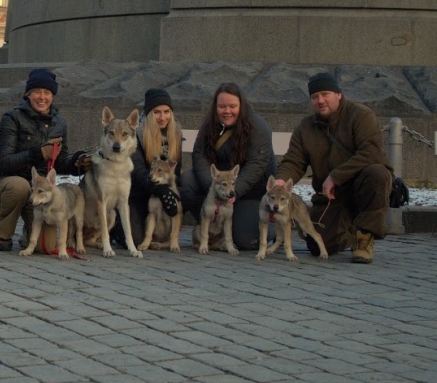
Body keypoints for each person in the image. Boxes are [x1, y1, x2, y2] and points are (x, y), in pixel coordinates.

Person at [274, 73, 393, 264]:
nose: (320, 100)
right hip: (331, 196)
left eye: (325, 94)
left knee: (377, 173)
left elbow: (371, 152)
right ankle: (352, 230)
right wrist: (280, 181)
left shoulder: (361, 115)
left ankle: (365, 236)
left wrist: (335, 176)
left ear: (338, 94)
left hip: (362, 185)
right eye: (314, 97)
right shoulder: (305, 127)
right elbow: (293, 161)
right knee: (316, 244)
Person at [0, 68, 89, 251]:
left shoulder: (60, 122)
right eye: (37, 92)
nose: (42, 97)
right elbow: (5, 162)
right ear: (28, 94)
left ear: (53, 96)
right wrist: (37, 154)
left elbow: (59, 162)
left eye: (47, 92)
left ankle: (29, 231)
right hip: (11, 183)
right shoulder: (11, 118)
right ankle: (3, 232)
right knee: (19, 187)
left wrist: (77, 162)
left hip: (42, 191)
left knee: (47, 248)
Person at [179, 82, 277, 250]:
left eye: (232, 106)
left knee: (246, 240)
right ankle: (210, 226)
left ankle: (270, 229)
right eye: (222, 106)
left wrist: (234, 190)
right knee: (187, 181)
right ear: (215, 107)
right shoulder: (209, 124)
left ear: (242, 105)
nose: (227, 111)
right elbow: (199, 155)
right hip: (220, 186)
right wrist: (213, 186)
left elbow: (256, 165)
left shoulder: (258, 127)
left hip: (251, 192)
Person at [125, 87, 183, 246]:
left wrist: (172, 193)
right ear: (149, 113)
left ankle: (172, 233)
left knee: (186, 195)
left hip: (163, 189)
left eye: (167, 111)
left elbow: (177, 171)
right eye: (157, 112)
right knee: (135, 239)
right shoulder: (136, 135)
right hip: (138, 193)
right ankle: (118, 222)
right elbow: (138, 171)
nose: (162, 117)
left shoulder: (175, 134)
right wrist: (160, 190)